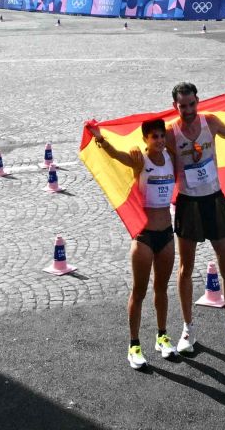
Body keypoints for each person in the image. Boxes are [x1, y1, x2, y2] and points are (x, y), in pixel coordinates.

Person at [170, 82, 225, 359]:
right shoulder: (171, 132)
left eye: (191, 103)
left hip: (214, 201)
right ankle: (187, 330)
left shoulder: (210, 122)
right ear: (176, 106)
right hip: (187, 204)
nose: (187, 110)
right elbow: (149, 155)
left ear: (198, 101)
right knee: (185, 268)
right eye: (182, 105)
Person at [83, 116, 179, 369]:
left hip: (167, 235)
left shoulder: (172, 158)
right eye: (154, 136)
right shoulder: (140, 160)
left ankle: (162, 336)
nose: (159, 140)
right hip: (145, 236)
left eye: (162, 136)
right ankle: (134, 345)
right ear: (145, 139)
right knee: (139, 292)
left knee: (162, 289)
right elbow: (114, 155)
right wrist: (98, 136)